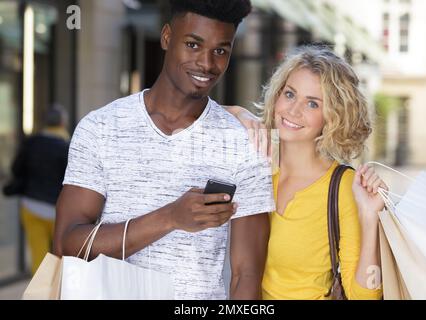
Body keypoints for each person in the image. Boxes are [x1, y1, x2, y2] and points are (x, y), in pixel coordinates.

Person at [54, 0, 275, 300]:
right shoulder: (101, 127)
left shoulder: (244, 143)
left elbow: (245, 275)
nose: (207, 64)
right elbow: (67, 245)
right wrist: (170, 217)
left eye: (220, 51)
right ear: (167, 37)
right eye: (193, 45)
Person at [225, 45, 386, 299]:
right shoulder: (258, 160)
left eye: (312, 103)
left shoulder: (342, 186)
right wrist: (240, 114)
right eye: (290, 94)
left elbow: (364, 296)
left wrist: (369, 219)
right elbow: (195, 117)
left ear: (333, 117)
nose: (293, 110)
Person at [4, 106, 70, 275]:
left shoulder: (31, 143)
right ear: (63, 123)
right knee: (61, 255)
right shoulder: (67, 146)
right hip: (58, 211)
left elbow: (16, 169)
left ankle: (41, 292)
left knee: (38, 255)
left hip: (31, 206)